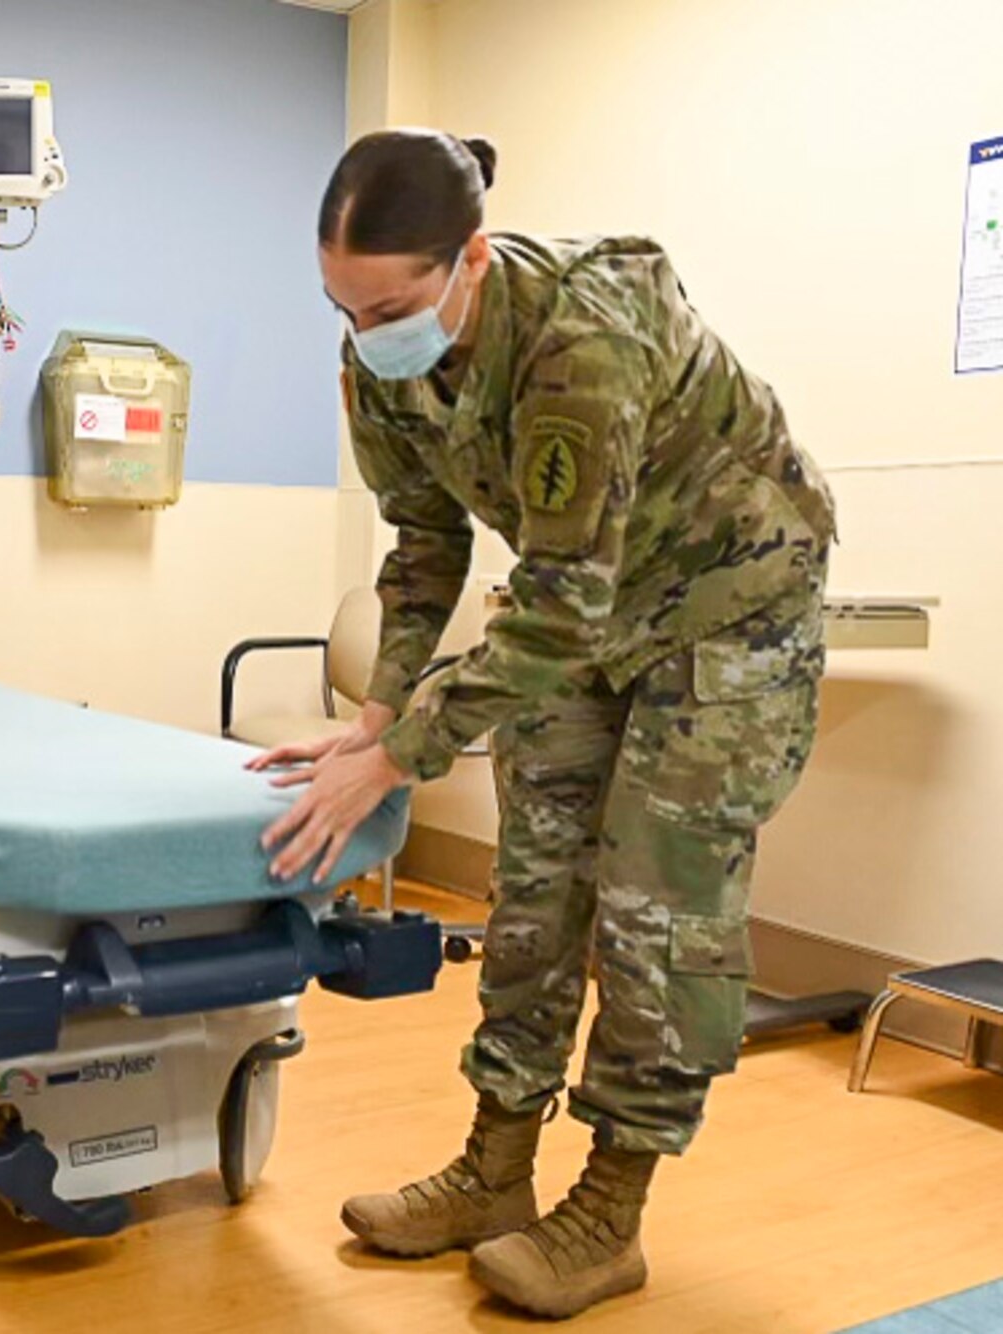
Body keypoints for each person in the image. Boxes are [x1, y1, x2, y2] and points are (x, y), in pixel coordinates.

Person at [251, 129, 835, 1318]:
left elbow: (561, 602)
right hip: (591, 605)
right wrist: (370, 723)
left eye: (390, 304)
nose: (365, 335)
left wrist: (402, 758)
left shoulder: (584, 332)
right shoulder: (380, 350)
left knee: (653, 908)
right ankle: (492, 1172)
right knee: (533, 889)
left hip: (727, 604)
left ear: (469, 258)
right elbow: (422, 543)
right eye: (340, 305)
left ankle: (606, 1213)